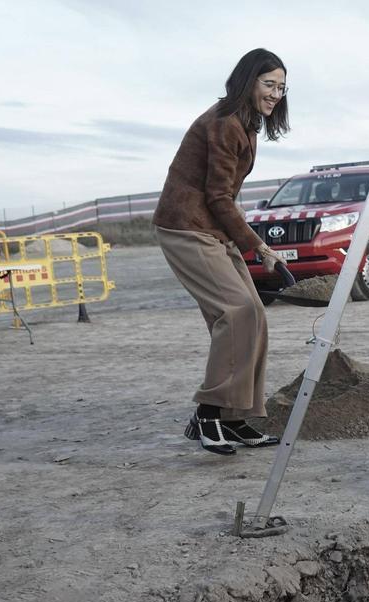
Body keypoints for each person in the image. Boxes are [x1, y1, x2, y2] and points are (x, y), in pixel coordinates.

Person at [152, 48, 289, 455]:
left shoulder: (245, 124)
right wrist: (257, 245)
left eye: (282, 87)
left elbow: (224, 194)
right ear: (248, 81)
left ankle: (234, 417)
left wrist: (241, 239)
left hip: (210, 229)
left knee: (254, 315)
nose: (276, 94)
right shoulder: (226, 122)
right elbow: (217, 196)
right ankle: (208, 415)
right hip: (185, 227)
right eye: (269, 85)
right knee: (236, 312)